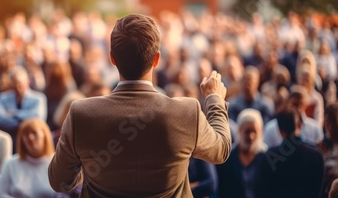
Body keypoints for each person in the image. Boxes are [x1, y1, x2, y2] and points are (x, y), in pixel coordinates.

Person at [48, 13, 231, 197]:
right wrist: (214, 98)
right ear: (156, 59)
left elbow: (60, 182)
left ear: (112, 58)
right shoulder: (185, 111)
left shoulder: (82, 113)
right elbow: (221, 150)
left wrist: (90, 166)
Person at [256, 110, 324, 198]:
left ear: (279, 130)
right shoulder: (316, 156)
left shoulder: (269, 156)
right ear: (300, 125)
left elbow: (263, 190)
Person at [0, 118, 67, 198]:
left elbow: (63, 194)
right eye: (26, 134)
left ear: (45, 136)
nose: (30, 137)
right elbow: (1, 194)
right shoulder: (10, 163)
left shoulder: (58, 163)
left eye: (34, 133)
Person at [216, 109, 267, 198]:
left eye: (254, 131)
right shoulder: (227, 156)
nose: (251, 137)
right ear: (239, 130)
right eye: (247, 131)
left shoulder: (266, 157)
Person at [0, 66, 47, 151]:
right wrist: (24, 121)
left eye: (20, 84)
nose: (18, 88)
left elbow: (38, 118)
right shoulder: (2, 98)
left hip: (32, 140)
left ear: (27, 82)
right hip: (10, 138)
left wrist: (14, 113)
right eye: (14, 85)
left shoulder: (39, 98)